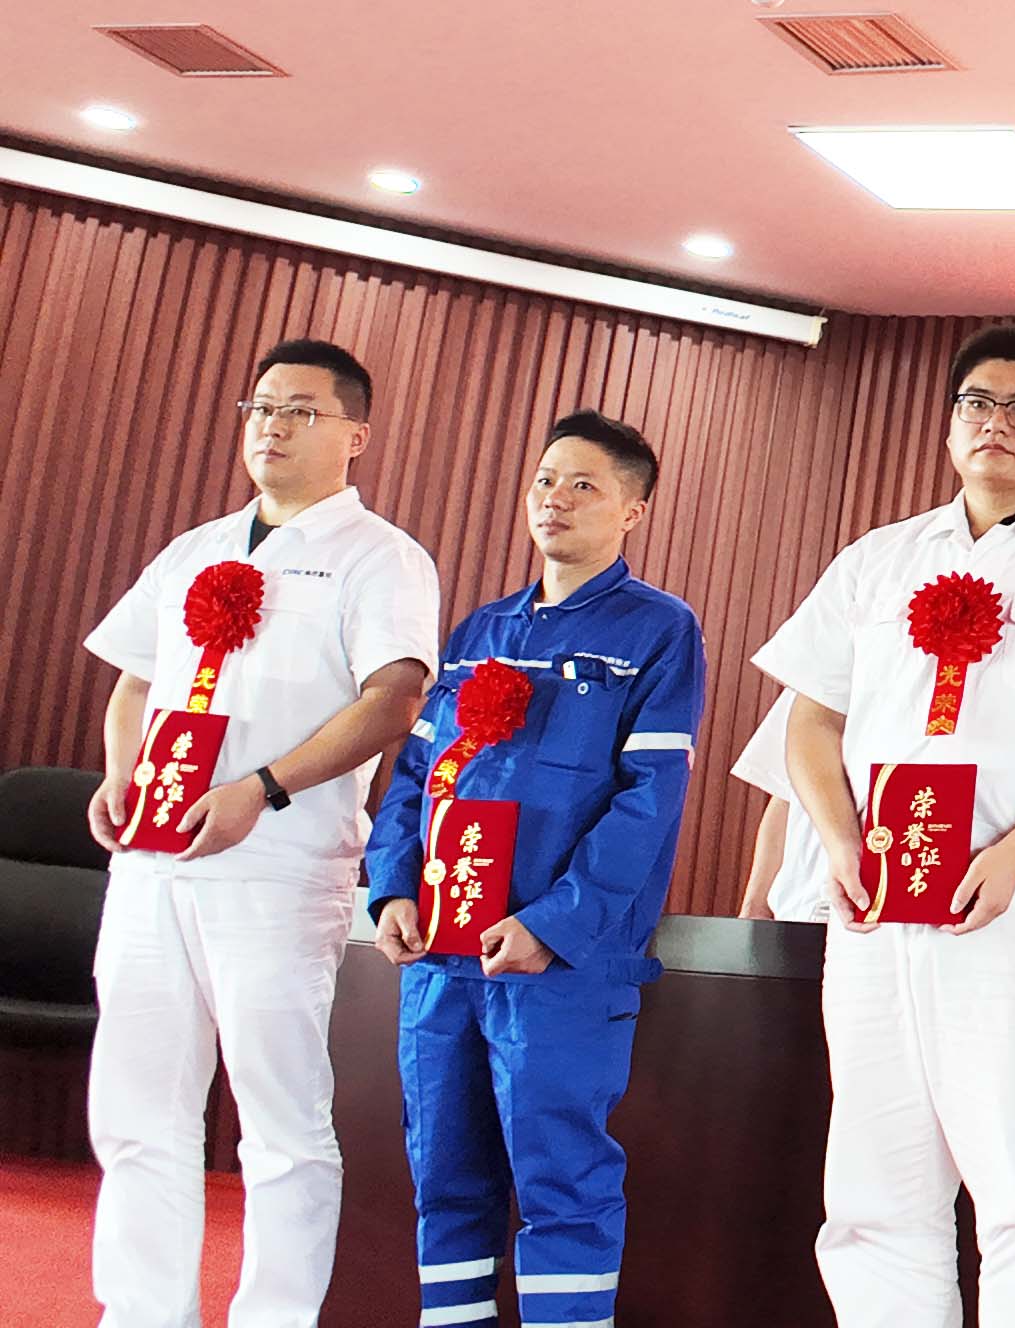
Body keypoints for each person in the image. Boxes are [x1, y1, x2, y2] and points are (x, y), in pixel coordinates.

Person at [751, 324, 1015, 1328]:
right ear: (950, 425)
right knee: (875, 1189)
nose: (998, 422)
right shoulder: (879, 558)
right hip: (875, 902)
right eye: (977, 404)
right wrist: (842, 842)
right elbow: (812, 718)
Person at [80, 339, 439, 1328]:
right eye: (262, 407)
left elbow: (393, 698)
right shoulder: (195, 548)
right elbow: (137, 681)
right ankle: (142, 1312)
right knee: (137, 1105)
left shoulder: (381, 556)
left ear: (355, 435)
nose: (273, 426)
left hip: (276, 863)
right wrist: (121, 771)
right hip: (154, 861)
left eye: (301, 411)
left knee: (279, 1117)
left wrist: (264, 788)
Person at [366, 410, 704, 1328]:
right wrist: (393, 885)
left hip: (558, 965)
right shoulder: (481, 628)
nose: (555, 498)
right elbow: (414, 774)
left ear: (633, 511)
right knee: (444, 1173)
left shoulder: (660, 630)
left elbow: (649, 800)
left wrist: (555, 924)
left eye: (584, 485)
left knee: (561, 1179)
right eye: (546, 479)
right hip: (443, 957)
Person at [729, 692, 831, 921]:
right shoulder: (814, 682)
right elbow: (785, 794)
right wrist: (754, 906)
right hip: (802, 906)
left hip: (888, 907)